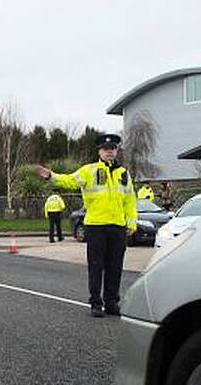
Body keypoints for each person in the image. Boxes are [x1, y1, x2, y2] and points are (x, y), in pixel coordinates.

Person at [36, 134, 137, 317]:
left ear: (117, 151)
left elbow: (130, 199)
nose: (110, 152)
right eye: (106, 149)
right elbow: (69, 180)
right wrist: (51, 176)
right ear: (99, 151)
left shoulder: (124, 173)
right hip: (96, 226)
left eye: (113, 149)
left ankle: (112, 302)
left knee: (115, 267)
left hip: (117, 227)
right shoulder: (88, 171)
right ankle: (96, 304)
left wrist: (131, 222)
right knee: (96, 266)